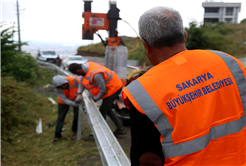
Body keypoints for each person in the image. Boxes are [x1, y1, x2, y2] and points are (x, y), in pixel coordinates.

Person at [122, 6, 246, 166]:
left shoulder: (141, 92)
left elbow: (148, 159)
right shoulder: (228, 62)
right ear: (184, 36)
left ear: (145, 45)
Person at [68, 61, 127, 139]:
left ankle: (98, 134)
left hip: (114, 88)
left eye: (77, 74)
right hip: (108, 88)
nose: (77, 75)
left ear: (78, 70)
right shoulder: (85, 70)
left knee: (103, 111)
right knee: (107, 109)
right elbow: (82, 81)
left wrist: (95, 99)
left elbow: (103, 90)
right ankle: (121, 128)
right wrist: (79, 93)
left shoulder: (96, 74)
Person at [52, 75, 82, 144]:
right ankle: (57, 135)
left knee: (77, 115)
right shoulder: (58, 88)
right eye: (61, 86)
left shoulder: (75, 80)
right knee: (61, 117)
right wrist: (75, 105)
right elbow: (64, 99)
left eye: (64, 85)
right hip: (63, 102)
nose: (63, 87)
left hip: (76, 99)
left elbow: (84, 86)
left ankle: (75, 130)